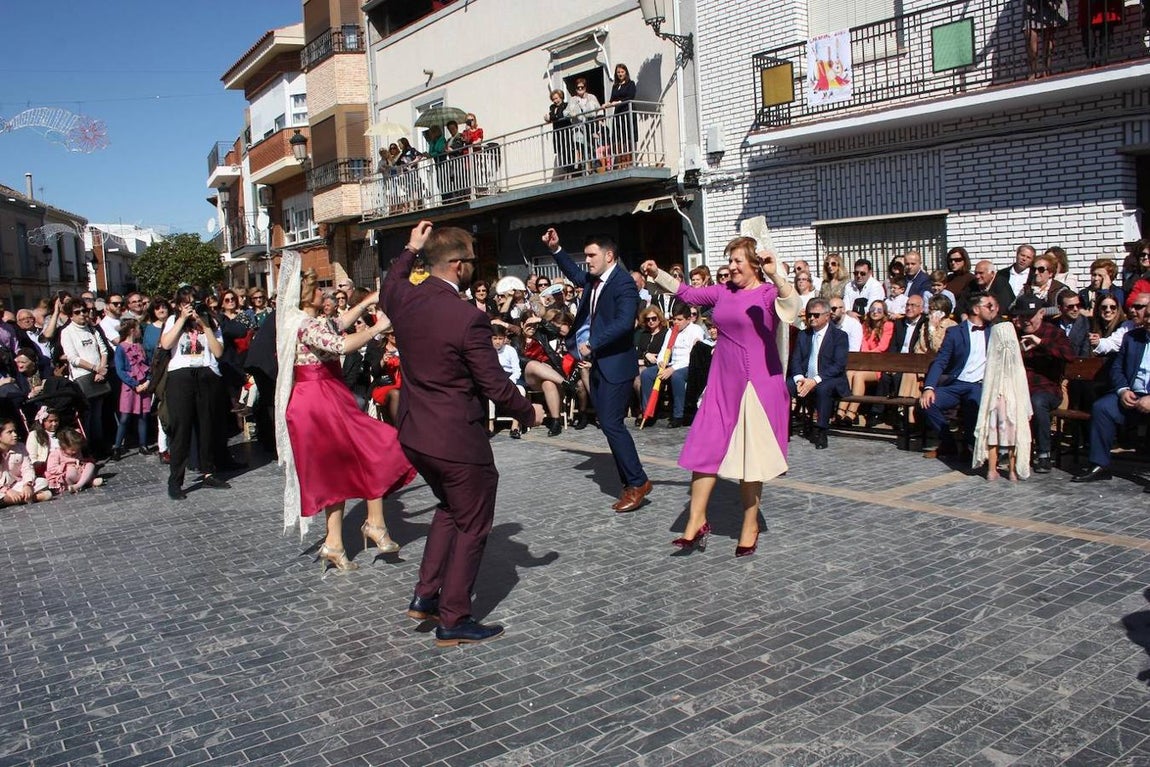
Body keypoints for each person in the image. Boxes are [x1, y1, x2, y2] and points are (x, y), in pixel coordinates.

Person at [381, 221, 538, 647]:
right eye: (470, 261)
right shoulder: (467, 317)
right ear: (456, 265)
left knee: (450, 508)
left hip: (416, 433)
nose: (473, 267)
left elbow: (390, 283)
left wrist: (410, 248)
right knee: (473, 522)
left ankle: (426, 594)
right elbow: (494, 385)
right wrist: (529, 411)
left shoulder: (404, 299)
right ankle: (454, 616)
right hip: (455, 438)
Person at [641, 237, 800, 557]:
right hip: (722, 383)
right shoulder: (723, 291)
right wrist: (657, 273)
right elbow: (686, 293)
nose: (731, 266)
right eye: (730, 261)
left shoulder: (769, 293)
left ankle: (750, 523)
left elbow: (793, 309)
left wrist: (777, 275)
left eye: (738, 261)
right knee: (704, 446)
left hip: (757, 385)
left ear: (755, 264)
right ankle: (696, 519)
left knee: (750, 460)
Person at [275, 250, 416, 572]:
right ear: (306, 295)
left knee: (338, 471)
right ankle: (374, 524)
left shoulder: (307, 321)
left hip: (324, 395)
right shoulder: (304, 325)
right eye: (317, 289)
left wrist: (368, 303)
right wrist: (378, 326)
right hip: (316, 401)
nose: (324, 293)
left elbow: (338, 324)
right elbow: (340, 344)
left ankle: (335, 543)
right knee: (377, 445)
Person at [543, 227, 651, 513]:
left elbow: (625, 322)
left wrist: (593, 342)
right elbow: (574, 274)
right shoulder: (593, 279)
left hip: (616, 364)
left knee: (613, 424)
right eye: (587, 255)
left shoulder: (623, 284)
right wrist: (556, 249)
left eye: (592, 255)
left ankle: (638, 482)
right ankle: (631, 482)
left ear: (609, 255)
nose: (587, 260)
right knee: (608, 423)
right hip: (600, 363)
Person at [1072, 292, 1150, 483]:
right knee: (1102, 408)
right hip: (1132, 393)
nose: (1147, 320)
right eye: (1146, 315)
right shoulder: (1132, 338)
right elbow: (1117, 368)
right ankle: (1100, 464)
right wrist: (1123, 390)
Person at [160, 288, 228, 500]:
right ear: (179, 305)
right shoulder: (173, 320)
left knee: (207, 425)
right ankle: (175, 480)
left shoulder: (211, 321)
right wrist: (182, 319)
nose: (191, 307)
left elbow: (218, 352)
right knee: (181, 429)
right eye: (186, 303)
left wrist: (205, 324)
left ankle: (208, 471)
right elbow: (166, 344)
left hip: (206, 373)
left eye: (194, 303)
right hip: (181, 376)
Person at [920, 292, 1000, 459]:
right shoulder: (955, 332)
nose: (992, 309)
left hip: (979, 385)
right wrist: (929, 387)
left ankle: (970, 447)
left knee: (974, 405)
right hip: (956, 383)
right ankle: (948, 443)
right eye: (988, 306)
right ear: (976, 309)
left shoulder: (995, 331)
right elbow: (941, 361)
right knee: (927, 403)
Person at [1009, 294, 1074, 474]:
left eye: (1030, 315)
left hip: (1047, 389)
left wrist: (1041, 343)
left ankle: (1044, 453)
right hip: (1020, 387)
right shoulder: (1015, 333)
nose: (1026, 320)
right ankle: (1003, 449)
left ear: (1041, 313)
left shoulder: (1053, 333)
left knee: (1037, 402)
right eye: (1022, 316)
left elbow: (1069, 356)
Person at [972, 322, 1032, 481]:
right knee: (1013, 436)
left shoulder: (993, 360)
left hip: (995, 400)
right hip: (1013, 400)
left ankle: (991, 470)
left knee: (993, 435)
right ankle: (1012, 472)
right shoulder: (1016, 363)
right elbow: (1022, 384)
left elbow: (988, 381)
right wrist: (1026, 408)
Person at [788, 297, 850, 450]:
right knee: (785, 386)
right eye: (809, 314)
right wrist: (799, 379)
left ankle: (821, 430)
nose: (811, 318)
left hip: (829, 379)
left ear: (827, 316)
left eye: (816, 315)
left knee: (823, 389)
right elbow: (795, 360)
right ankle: (784, 426)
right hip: (805, 377)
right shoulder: (804, 335)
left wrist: (814, 380)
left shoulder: (839, 336)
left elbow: (838, 366)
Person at [638, 303, 705, 428]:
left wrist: (672, 369)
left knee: (677, 377)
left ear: (688, 319)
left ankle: (678, 415)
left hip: (687, 365)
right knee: (647, 374)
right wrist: (661, 362)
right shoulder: (670, 331)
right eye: (674, 319)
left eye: (679, 320)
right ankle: (648, 412)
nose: (676, 322)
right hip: (670, 364)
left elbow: (692, 356)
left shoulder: (696, 331)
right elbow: (665, 349)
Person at [59, 299, 109, 454]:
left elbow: (103, 349)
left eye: (84, 311)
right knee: (86, 415)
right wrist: (95, 369)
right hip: (83, 377)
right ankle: (86, 448)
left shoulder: (91, 329)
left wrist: (103, 368)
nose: (82, 314)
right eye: (77, 312)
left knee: (98, 414)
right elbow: (73, 358)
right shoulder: (67, 332)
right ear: (70, 315)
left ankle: (99, 444)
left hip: (99, 375)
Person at [836, 300, 894, 426]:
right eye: (873, 309)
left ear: (884, 313)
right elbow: (862, 344)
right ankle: (840, 412)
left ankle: (851, 412)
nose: (875, 312)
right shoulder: (865, 325)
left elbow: (882, 347)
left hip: (878, 365)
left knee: (859, 375)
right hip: (864, 363)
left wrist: (868, 355)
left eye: (879, 310)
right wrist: (866, 355)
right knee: (850, 372)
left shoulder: (888, 325)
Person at [111, 319, 151, 460]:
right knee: (125, 416)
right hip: (130, 386)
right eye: (139, 328)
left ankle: (143, 444)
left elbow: (147, 365)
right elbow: (120, 370)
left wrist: (147, 381)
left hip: (143, 385)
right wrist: (134, 383)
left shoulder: (140, 346)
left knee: (143, 415)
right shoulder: (121, 348)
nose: (141, 331)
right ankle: (117, 446)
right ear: (132, 330)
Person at [1, 419, 52, 505]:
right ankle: (35, 498)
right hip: (2, 489)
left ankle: (15, 499)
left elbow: (27, 468)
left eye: (15, 431)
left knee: (42, 482)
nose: (15, 435)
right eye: (9, 432)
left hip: (16, 485)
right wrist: (7, 490)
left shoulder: (20, 447)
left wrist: (27, 485)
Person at [45, 427, 103, 494]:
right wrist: (65, 467)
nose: (75, 452)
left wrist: (80, 464)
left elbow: (81, 460)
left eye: (77, 449)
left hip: (79, 473)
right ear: (63, 446)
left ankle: (79, 485)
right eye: (72, 450)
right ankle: (87, 482)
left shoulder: (77, 451)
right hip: (67, 477)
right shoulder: (56, 453)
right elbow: (51, 469)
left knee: (90, 465)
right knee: (70, 472)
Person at [1024, 0, 1069, 78]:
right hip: (1031, 5)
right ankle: (1035, 70)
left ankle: (1046, 70)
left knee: (1048, 37)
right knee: (1029, 33)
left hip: (1051, 4)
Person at [605, 64, 637, 166]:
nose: (620, 74)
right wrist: (607, 104)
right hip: (618, 113)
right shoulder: (615, 86)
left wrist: (619, 102)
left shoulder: (630, 84)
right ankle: (620, 161)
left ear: (626, 73)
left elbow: (630, 96)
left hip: (627, 111)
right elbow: (612, 100)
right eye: (618, 72)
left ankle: (628, 161)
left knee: (627, 135)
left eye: (622, 72)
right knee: (618, 136)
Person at [991, 244, 1035, 314]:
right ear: (1017, 255)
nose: (1024, 259)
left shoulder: (1034, 276)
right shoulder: (1002, 274)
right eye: (1022, 255)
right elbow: (993, 295)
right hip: (1003, 316)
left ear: (1032, 260)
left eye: (1028, 257)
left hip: (1024, 316)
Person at [545, 88, 576, 177]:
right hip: (557, 133)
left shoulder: (566, 105)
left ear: (561, 97)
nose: (556, 101)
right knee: (561, 152)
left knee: (569, 152)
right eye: (554, 99)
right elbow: (552, 116)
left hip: (566, 132)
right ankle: (566, 172)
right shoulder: (552, 107)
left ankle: (571, 172)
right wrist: (552, 117)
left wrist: (553, 117)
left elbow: (560, 115)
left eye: (557, 98)